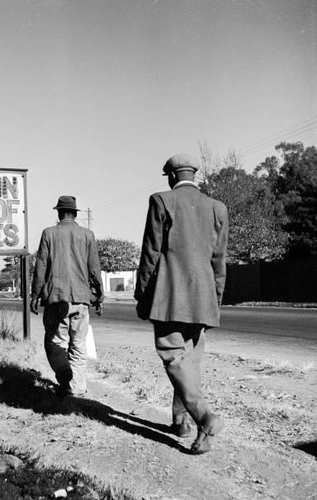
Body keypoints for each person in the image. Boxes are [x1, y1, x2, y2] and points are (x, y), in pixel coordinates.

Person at [134, 154, 229, 454]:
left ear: (171, 177)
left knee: (173, 357)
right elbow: (219, 261)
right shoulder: (217, 208)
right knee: (189, 363)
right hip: (203, 297)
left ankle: (204, 417)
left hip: (169, 295)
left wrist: (143, 294)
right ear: (194, 175)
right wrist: (216, 299)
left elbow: (151, 253)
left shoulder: (161, 201)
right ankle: (181, 422)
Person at [30, 195, 104, 400]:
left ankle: (63, 373)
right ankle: (77, 389)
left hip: (56, 298)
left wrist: (35, 295)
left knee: (55, 342)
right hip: (81, 299)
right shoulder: (87, 235)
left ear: (59, 212)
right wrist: (99, 297)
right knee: (79, 345)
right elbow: (94, 269)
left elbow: (41, 267)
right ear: (75, 213)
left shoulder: (49, 233)